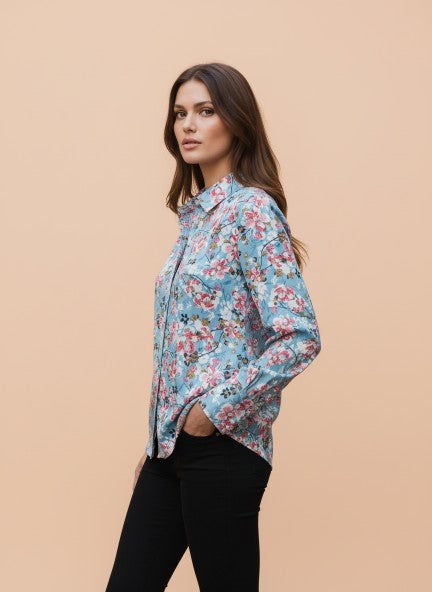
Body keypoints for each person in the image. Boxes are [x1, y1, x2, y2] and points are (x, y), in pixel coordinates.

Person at [105, 62, 322, 592]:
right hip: (169, 450)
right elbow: (188, 346)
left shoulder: (251, 211)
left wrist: (211, 412)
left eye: (205, 111)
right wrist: (160, 437)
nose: (188, 124)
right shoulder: (195, 221)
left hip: (223, 446)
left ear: (237, 122)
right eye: (180, 113)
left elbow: (299, 336)